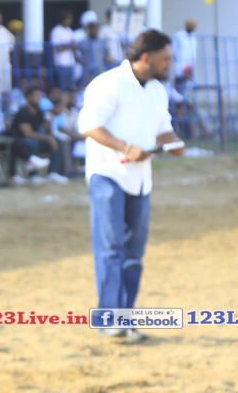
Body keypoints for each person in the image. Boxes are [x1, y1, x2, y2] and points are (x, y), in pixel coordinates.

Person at [78, 29, 183, 343]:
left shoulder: (158, 90)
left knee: (134, 255)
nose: (170, 65)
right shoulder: (109, 83)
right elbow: (89, 126)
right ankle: (108, 321)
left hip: (140, 180)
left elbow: (164, 130)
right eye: (165, 59)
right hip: (108, 174)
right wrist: (126, 148)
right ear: (146, 58)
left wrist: (174, 143)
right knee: (111, 250)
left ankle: (125, 320)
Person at [7, 85, 66, 184]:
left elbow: (48, 132)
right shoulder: (23, 112)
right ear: (29, 98)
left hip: (33, 142)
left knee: (57, 141)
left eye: (41, 96)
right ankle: (33, 175)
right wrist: (48, 138)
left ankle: (52, 173)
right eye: (37, 95)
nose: (39, 98)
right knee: (33, 141)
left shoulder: (39, 112)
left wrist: (49, 122)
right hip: (21, 143)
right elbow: (27, 133)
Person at [50, 9, 78, 91]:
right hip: (61, 63)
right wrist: (69, 45)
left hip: (70, 63)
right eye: (68, 19)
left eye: (70, 19)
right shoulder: (56, 30)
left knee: (71, 86)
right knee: (63, 87)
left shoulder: (69, 30)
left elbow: (74, 45)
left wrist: (69, 45)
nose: (70, 21)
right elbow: (58, 48)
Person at [171, 19, 198, 86]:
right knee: (179, 82)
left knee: (189, 83)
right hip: (181, 63)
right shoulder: (179, 35)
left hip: (190, 63)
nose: (193, 28)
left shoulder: (194, 36)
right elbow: (174, 49)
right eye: (191, 26)